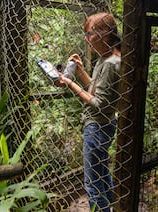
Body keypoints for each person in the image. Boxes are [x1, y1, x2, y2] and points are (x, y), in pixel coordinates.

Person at [56, 12, 121, 211]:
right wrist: (81, 71)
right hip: (106, 123)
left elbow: (99, 102)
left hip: (97, 127)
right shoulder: (107, 57)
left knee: (93, 185)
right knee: (102, 174)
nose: (86, 39)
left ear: (105, 34)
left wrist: (70, 84)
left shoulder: (111, 64)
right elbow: (96, 88)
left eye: (89, 34)